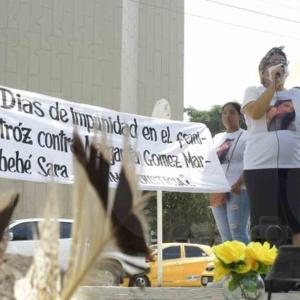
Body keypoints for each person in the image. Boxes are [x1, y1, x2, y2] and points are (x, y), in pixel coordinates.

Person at [242, 46, 300, 245]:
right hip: (259, 168)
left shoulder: (297, 95)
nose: (279, 65)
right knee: (263, 225)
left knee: (296, 222)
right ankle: (264, 271)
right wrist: (272, 87)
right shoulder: (253, 91)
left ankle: (295, 270)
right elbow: (256, 113)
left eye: (282, 63)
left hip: (293, 167)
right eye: (273, 62)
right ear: (262, 71)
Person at [210, 102, 250, 244]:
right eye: (225, 113)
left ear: (240, 115)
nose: (228, 116)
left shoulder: (247, 136)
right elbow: (211, 163)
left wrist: (238, 183)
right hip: (218, 190)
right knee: (226, 237)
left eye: (232, 112)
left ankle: (250, 266)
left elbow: (251, 163)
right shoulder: (217, 138)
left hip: (238, 189)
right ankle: (231, 267)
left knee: (237, 233)